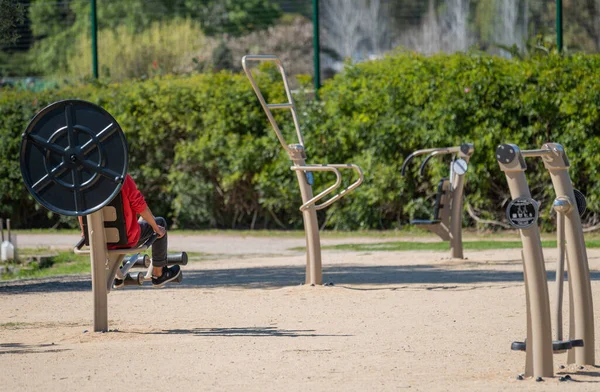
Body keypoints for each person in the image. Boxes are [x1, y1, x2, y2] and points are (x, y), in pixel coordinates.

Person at [79, 174, 181, 287]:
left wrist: (85, 233)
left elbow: (80, 209)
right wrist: (156, 228)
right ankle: (159, 274)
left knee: (130, 228)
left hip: (97, 240)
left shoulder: (86, 179)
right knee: (160, 223)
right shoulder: (121, 177)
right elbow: (139, 205)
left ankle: (118, 275)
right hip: (125, 238)